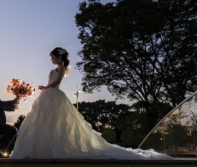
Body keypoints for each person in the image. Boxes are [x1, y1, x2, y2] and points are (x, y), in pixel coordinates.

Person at [11, 47, 170, 160]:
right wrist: (43, 88)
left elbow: (56, 82)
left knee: (58, 122)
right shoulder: (54, 69)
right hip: (47, 95)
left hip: (54, 96)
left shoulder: (61, 69)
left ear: (58, 57)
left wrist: (46, 87)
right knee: (43, 122)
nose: (51, 59)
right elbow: (50, 82)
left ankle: (57, 151)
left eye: (52, 57)